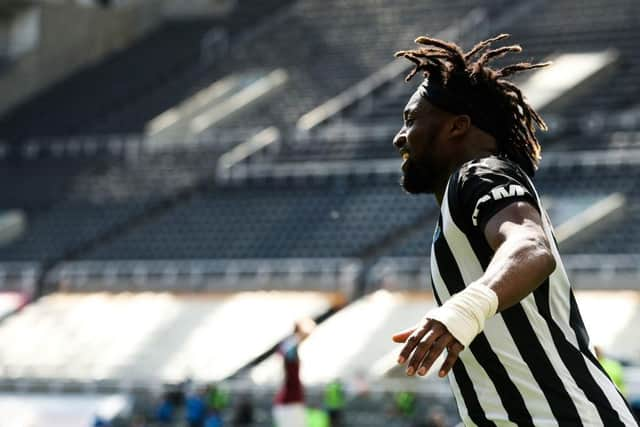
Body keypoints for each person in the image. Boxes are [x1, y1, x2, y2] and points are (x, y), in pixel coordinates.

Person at [390, 33, 638, 426]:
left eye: (410, 120)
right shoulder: (462, 202)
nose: (399, 137)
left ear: (458, 126)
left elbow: (530, 246)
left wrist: (469, 305)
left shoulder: (481, 173)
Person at [272, 317, 316, 427]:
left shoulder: (288, 349)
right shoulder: (290, 349)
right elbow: (291, 345)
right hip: (289, 404)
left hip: (291, 403)